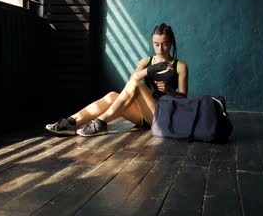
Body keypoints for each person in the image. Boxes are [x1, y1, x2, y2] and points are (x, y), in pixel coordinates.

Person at [46, 23, 189, 137]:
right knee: (112, 96)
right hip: (142, 115)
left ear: (171, 43)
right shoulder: (146, 61)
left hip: (162, 116)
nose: (160, 49)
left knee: (137, 85)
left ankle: (100, 122)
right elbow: (132, 80)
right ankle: (71, 122)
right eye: (156, 44)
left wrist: (169, 91)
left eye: (164, 44)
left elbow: (184, 98)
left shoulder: (180, 66)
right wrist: (153, 68)